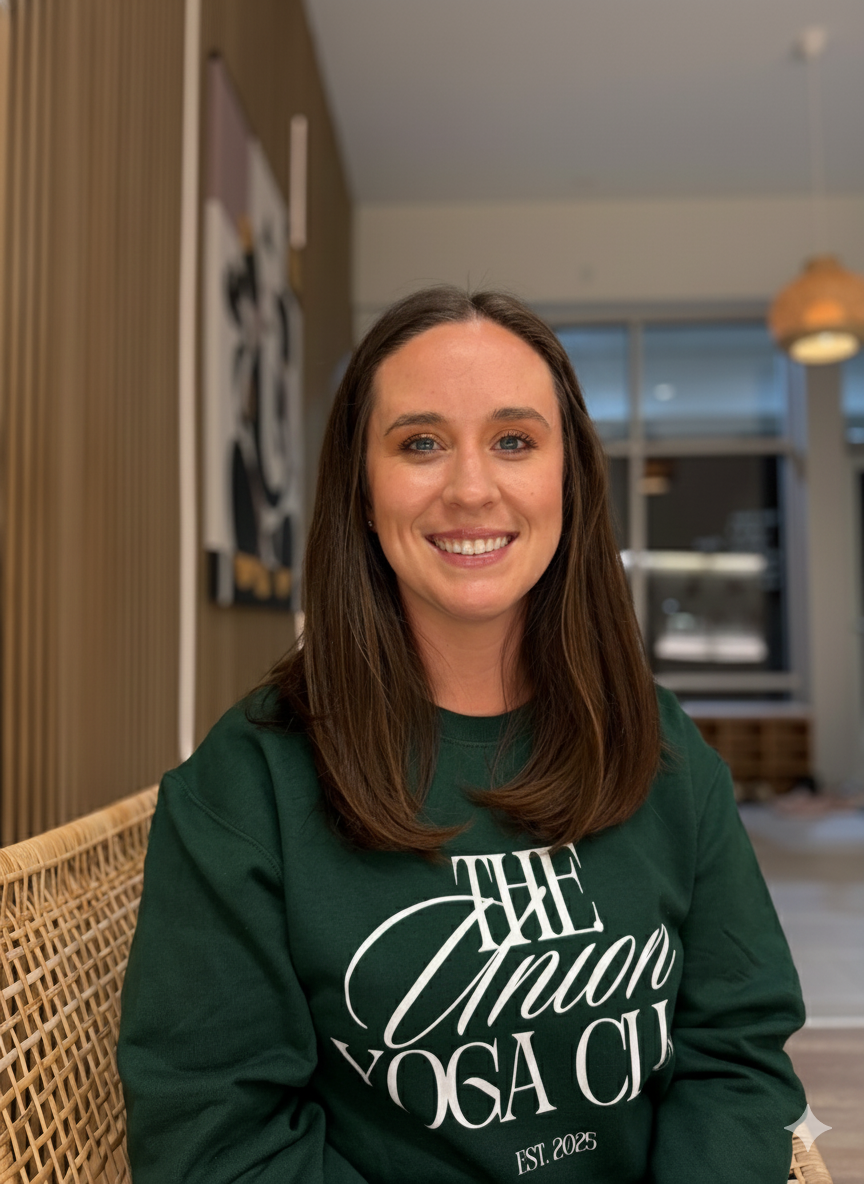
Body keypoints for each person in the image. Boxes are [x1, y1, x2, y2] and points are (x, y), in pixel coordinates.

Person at [118, 287, 807, 1183]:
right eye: (420, 443)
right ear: (362, 493)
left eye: (515, 441)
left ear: (569, 481)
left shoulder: (664, 747)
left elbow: (737, 1052)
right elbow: (215, 1138)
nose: (472, 487)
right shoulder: (248, 784)